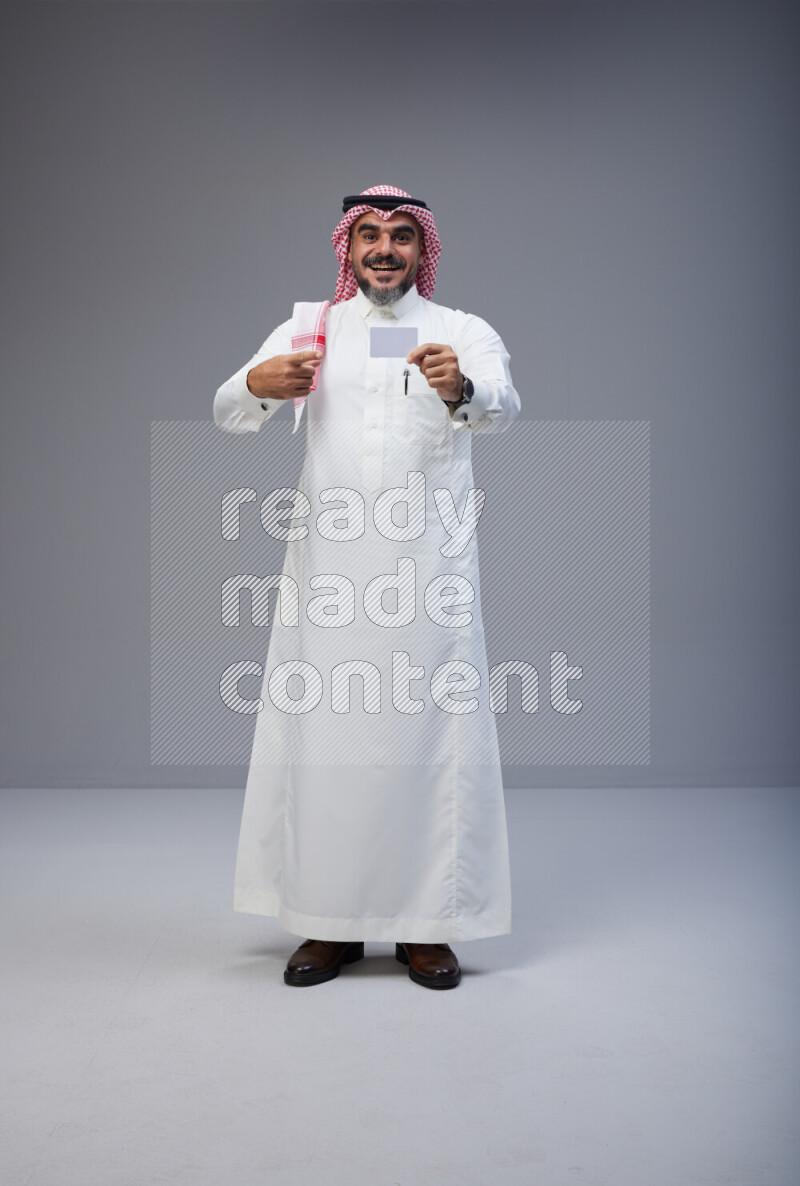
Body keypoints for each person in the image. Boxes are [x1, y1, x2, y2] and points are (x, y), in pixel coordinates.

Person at [213, 185, 520, 990]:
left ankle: (427, 930)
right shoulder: (312, 327)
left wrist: (461, 390)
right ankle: (329, 922)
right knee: (330, 744)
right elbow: (226, 407)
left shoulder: (462, 332)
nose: (384, 250)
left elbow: (503, 406)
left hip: (428, 578)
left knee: (426, 744)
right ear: (348, 249)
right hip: (331, 577)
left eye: (401, 238)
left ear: (424, 251)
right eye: (370, 237)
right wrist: (259, 386)